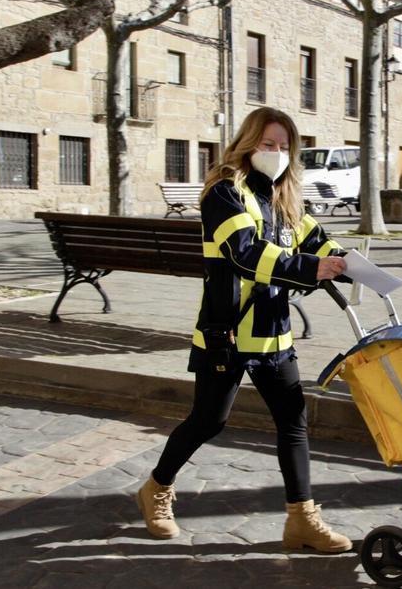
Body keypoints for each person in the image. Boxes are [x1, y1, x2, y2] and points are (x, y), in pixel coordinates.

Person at [135, 107, 352, 553]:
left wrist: (349, 262)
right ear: (247, 143)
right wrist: (314, 269)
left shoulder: (283, 197)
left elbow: (315, 240)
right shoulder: (224, 193)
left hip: (275, 335)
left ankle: (302, 519)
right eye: (268, 144)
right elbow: (243, 253)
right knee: (208, 421)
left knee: (293, 423)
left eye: (284, 146)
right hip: (228, 333)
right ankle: (156, 488)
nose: (276, 153)